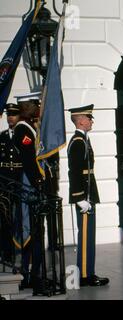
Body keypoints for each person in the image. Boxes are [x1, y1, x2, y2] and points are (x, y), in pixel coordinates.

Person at [67, 104, 109, 287]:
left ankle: (88, 272)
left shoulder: (83, 139)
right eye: (89, 118)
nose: (91, 121)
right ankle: (84, 275)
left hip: (89, 193)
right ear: (81, 120)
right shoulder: (77, 141)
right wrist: (79, 198)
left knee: (89, 235)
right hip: (83, 195)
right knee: (85, 236)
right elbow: (74, 172)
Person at [12, 92, 44, 290]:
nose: (38, 106)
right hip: (28, 186)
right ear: (28, 107)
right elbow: (29, 162)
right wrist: (38, 181)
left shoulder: (29, 127)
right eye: (35, 104)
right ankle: (28, 274)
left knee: (35, 232)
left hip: (29, 185)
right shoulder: (23, 130)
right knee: (31, 231)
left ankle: (33, 272)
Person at [0, 103, 22, 264]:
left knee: (21, 217)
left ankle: (21, 248)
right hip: (5, 182)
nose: (10, 118)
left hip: (20, 182)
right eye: (8, 115)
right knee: (6, 219)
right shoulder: (2, 136)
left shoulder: (23, 135)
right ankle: (7, 252)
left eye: (13, 115)